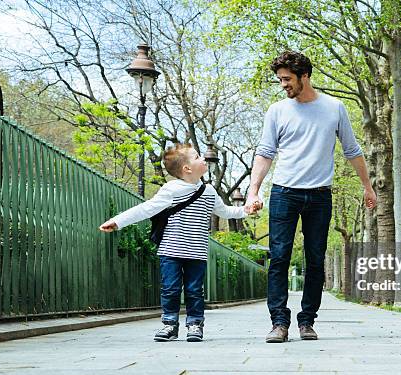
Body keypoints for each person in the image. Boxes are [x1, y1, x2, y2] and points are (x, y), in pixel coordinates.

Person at [247, 51, 377, 343]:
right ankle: (279, 322)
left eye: (287, 79)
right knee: (279, 258)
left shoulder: (334, 108)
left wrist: (367, 186)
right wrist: (253, 190)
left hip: (319, 195)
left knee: (315, 260)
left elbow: (352, 150)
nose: (283, 84)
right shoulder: (277, 110)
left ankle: (307, 321)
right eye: (280, 79)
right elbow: (265, 152)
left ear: (304, 76)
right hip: (283, 193)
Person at [99, 144, 256, 342]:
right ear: (187, 168)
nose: (203, 160)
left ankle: (195, 324)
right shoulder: (171, 189)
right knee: (170, 288)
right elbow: (147, 208)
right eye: (197, 157)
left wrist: (246, 210)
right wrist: (118, 221)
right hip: (170, 250)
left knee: (194, 289)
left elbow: (225, 211)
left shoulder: (208, 191)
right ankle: (169, 324)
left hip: (197, 252)